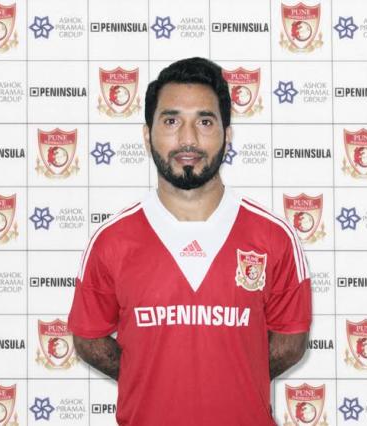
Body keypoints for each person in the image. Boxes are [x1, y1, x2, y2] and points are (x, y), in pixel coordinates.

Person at [67, 57, 312, 425]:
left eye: (205, 121)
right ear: (147, 134)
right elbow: (89, 339)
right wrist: (149, 373)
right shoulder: (111, 241)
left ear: (227, 134)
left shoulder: (273, 237)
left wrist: (233, 373)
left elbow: (290, 343)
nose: (188, 139)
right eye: (171, 121)